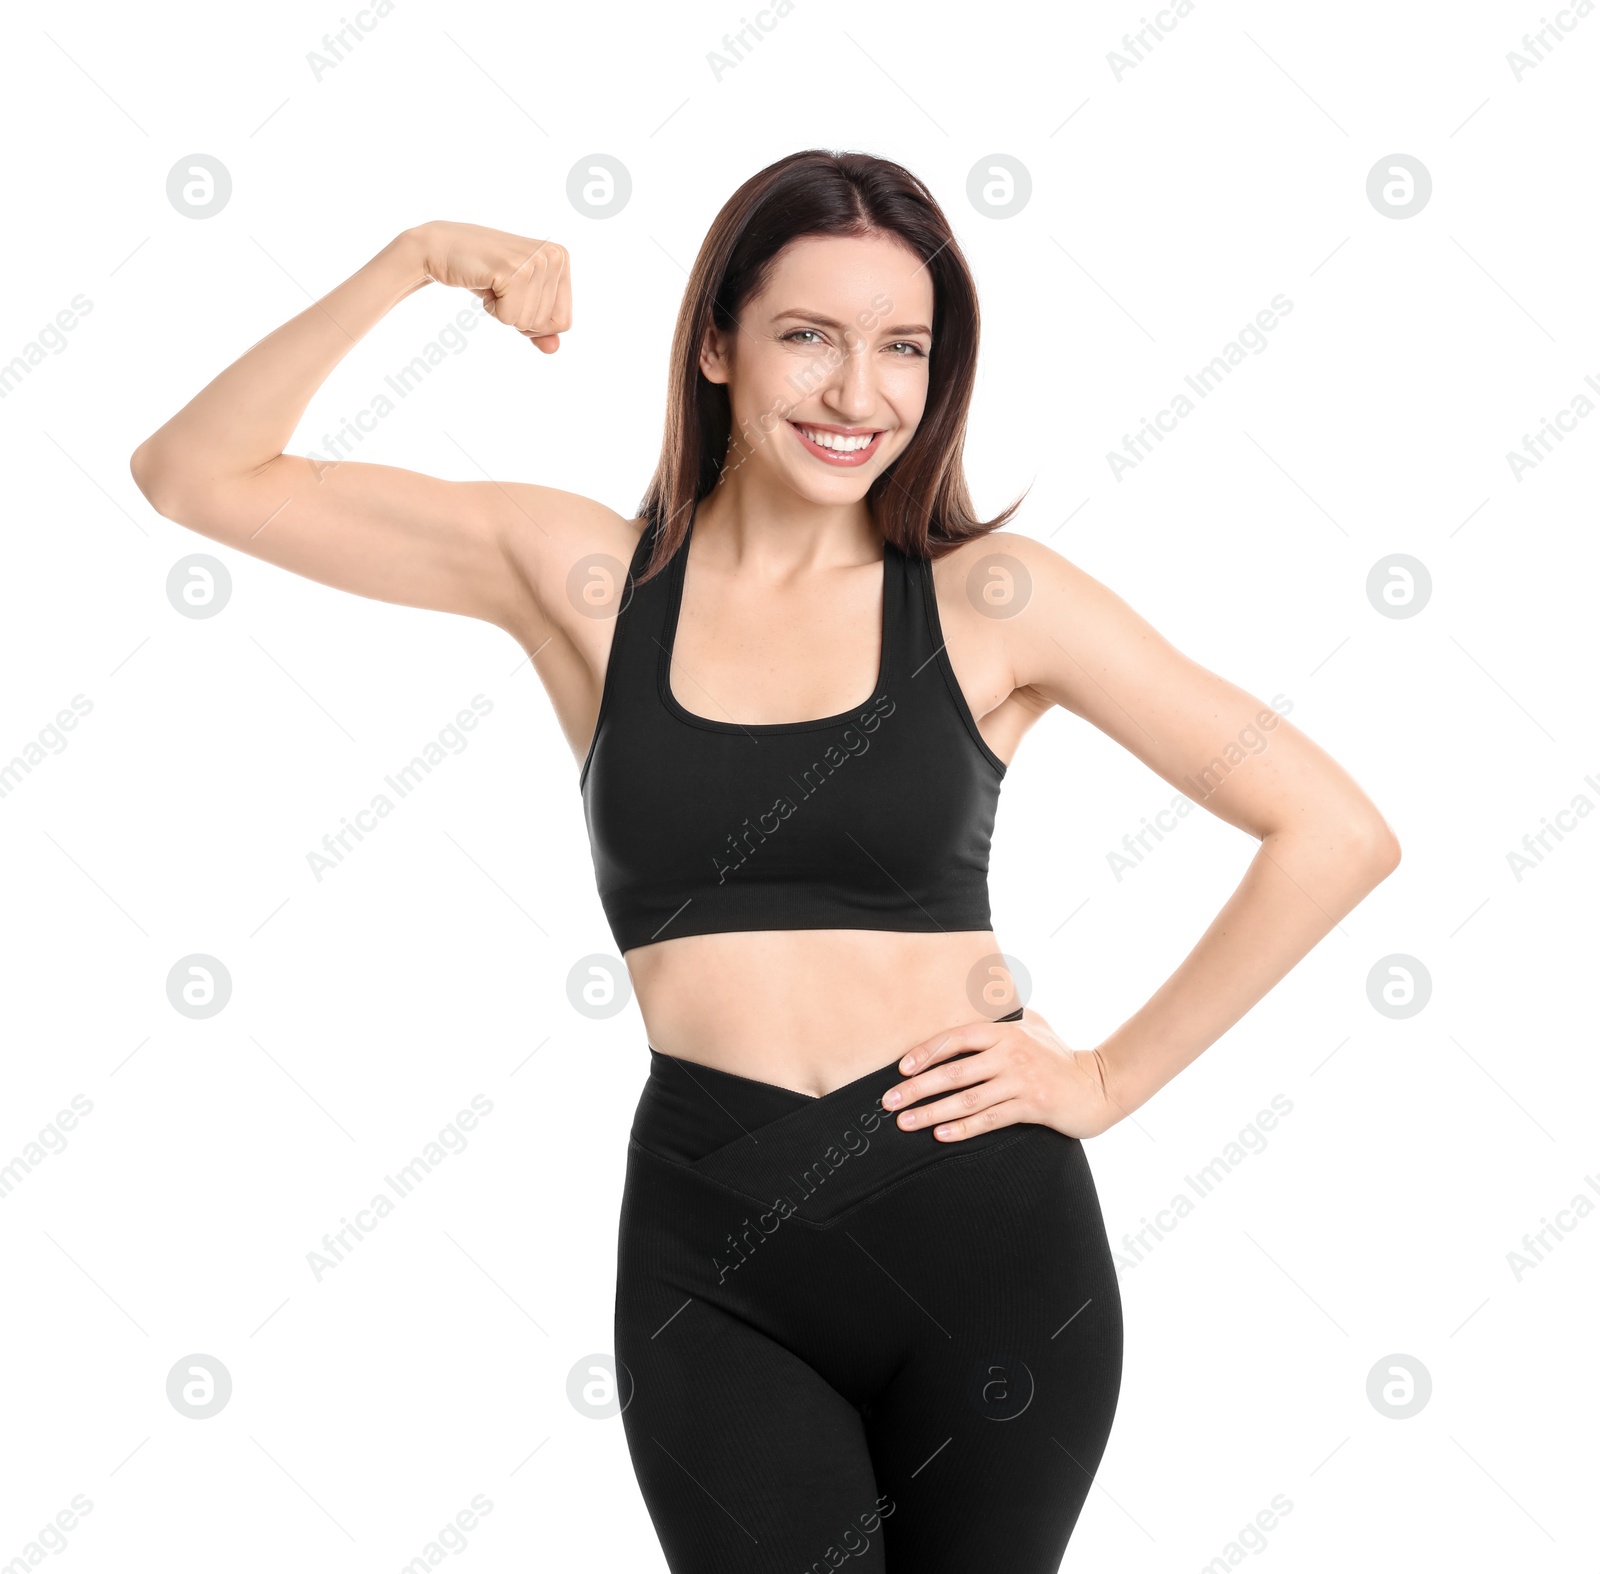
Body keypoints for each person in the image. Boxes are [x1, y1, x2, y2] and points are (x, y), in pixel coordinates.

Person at [130, 149, 1400, 1573]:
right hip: (714, 1249)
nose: (860, 395)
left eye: (902, 348)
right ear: (718, 343)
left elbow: (1334, 830)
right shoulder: (588, 581)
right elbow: (195, 475)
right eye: (810, 337)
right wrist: (415, 256)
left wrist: (1105, 1078)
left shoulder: (994, 600)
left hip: (982, 1233)